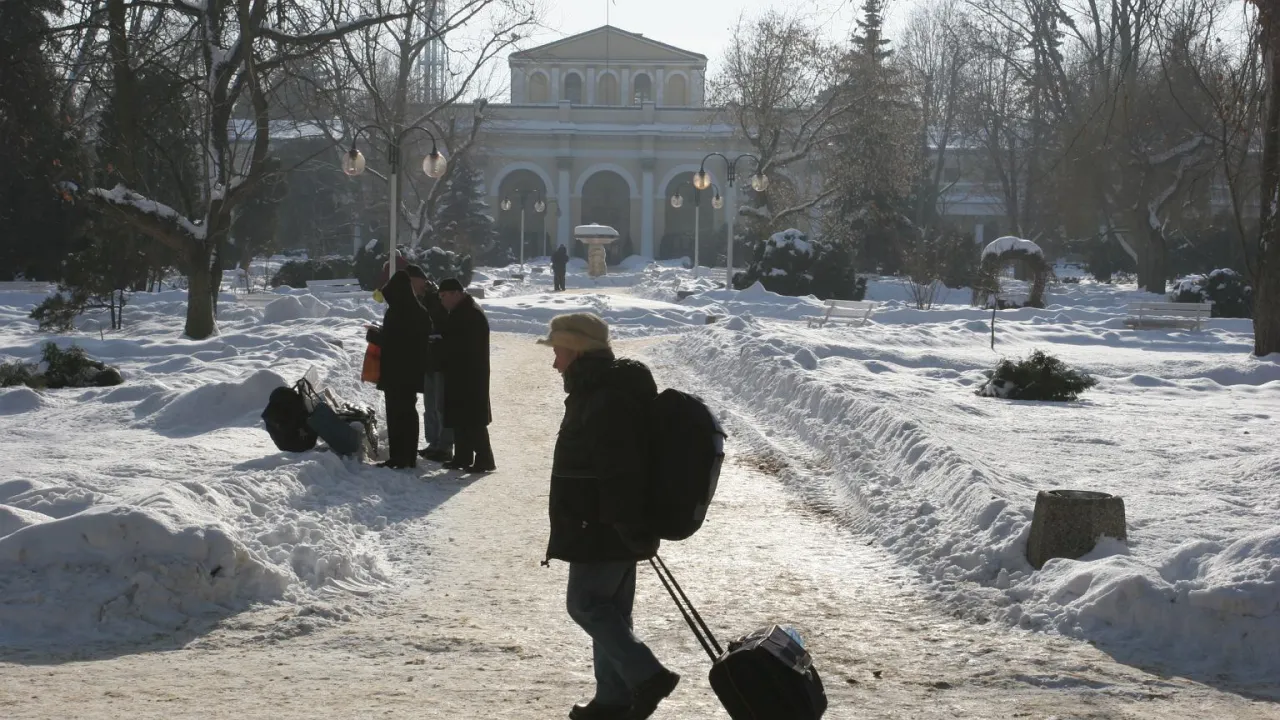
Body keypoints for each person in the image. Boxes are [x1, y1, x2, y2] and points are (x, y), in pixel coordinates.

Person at [537, 313, 679, 720]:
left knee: (585, 604)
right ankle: (614, 699)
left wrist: (624, 524)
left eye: (558, 350)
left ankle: (648, 675)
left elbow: (620, 468)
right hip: (607, 521)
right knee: (610, 611)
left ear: (577, 349)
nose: (554, 361)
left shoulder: (603, 397)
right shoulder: (600, 390)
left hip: (602, 523)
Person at [437, 278, 495, 472]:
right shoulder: (461, 311)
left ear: (456, 293)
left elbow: (463, 344)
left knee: (473, 419)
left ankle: (484, 459)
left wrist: (442, 345)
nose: (442, 300)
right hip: (460, 372)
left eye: (444, 296)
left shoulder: (470, 313)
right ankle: (463, 457)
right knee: (460, 417)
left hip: (470, 373)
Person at [376, 266, 431, 469]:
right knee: (409, 413)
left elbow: (393, 342)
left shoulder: (397, 312)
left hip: (396, 372)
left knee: (396, 414)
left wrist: (375, 336)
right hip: (412, 372)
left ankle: (398, 457)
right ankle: (408, 457)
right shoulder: (420, 311)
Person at [419, 279, 454, 463]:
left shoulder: (438, 306)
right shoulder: (423, 303)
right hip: (430, 361)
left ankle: (443, 445)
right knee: (431, 405)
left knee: (439, 406)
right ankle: (435, 443)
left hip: (439, 362)